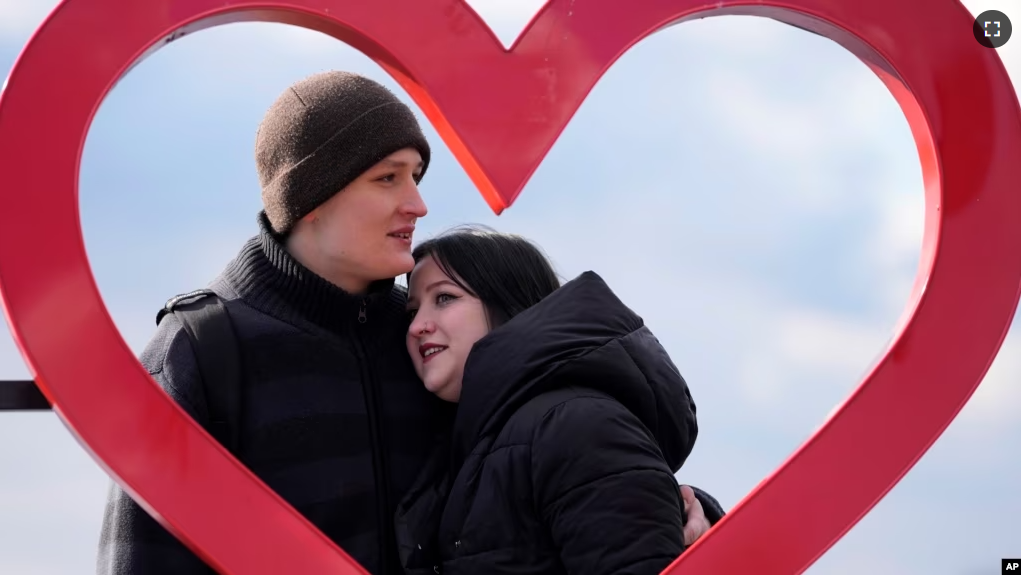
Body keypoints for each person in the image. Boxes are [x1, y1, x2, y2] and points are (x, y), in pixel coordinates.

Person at [96, 71, 719, 575]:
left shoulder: (433, 348)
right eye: (387, 178)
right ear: (312, 198)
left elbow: (564, 476)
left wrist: (699, 528)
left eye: (415, 177)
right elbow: (143, 559)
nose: (417, 204)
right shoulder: (202, 349)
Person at [396, 227, 720, 575]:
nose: (417, 326)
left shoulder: (575, 423)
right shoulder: (476, 444)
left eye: (444, 298)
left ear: (508, 301)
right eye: (412, 311)